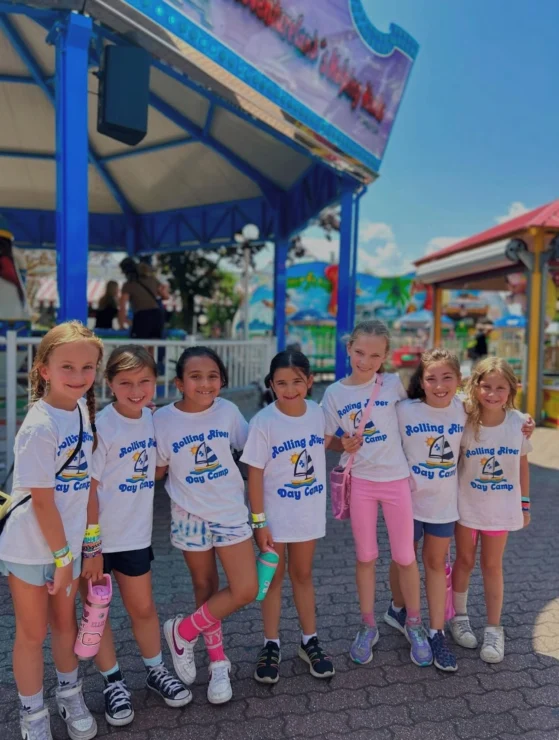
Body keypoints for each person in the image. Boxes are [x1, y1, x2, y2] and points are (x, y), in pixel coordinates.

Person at [0, 322, 103, 740]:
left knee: (65, 626)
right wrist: (63, 560)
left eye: (87, 367)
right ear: (44, 369)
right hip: (30, 549)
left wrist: (90, 545)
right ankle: (32, 714)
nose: (78, 377)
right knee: (32, 632)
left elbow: (89, 484)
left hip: (71, 547)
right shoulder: (39, 426)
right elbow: (42, 501)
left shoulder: (81, 410)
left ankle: (70, 694)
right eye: (67, 367)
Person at [84, 345, 190, 727]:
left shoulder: (154, 420)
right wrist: (91, 545)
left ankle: (155, 669)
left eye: (144, 381)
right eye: (125, 382)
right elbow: (89, 489)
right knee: (98, 615)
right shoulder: (100, 426)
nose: (136, 389)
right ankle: (113, 681)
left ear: (155, 381)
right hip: (94, 541)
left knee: (142, 608)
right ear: (109, 383)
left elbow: (157, 471)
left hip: (134, 536)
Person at [321, 320, 432, 668]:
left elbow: (424, 409)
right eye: (359, 352)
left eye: (374, 355)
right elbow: (326, 439)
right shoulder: (334, 394)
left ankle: (413, 621)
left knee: (405, 556)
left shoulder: (392, 385)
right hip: (363, 484)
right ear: (349, 348)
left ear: (384, 357)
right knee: (366, 557)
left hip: (397, 481)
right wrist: (344, 442)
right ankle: (367, 625)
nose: (365, 361)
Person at [156, 347, 258, 704]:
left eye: (212, 376)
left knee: (245, 589)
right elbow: (157, 469)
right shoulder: (162, 420)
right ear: (179, 382)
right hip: (188, 515)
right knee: (206, 588)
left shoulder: (228, 411)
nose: (204, 383)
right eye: (195, 377)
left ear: (222, 381)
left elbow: (252, 451)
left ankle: (182, 631)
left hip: (229, 512)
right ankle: (217, 663)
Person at [241, 349, 334, 684]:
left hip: (307, 514)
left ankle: (309, 640)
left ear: (309, 382)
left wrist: (346, 443)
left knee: (303, 575)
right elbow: (254, 474)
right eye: (281, 383)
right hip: (274, 519)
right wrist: (259, 521)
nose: (290, 388)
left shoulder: (317, 413)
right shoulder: (264, 422)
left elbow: (327, 441)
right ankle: (271, 643)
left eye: (297, 381)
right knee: (272, 580)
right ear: (271, 385)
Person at [450, 357, 532, 663]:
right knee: (465, 561)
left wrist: (525, 504)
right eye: (486, 386)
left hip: (501, 510)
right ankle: (459, 617)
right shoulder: (465, 419)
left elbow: (523, 466)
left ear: (512, 389)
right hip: (466, 507)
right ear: (475, 386)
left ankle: (494, 629)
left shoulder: (518, 423)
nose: (493, 393)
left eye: (501, 387)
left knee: (491, 566)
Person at [391, 348, 465, 671]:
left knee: (435, 563)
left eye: (447, 377)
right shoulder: (404, 410)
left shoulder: (464, 409)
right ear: (421, 381)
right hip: (406, 502)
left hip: (443, 505)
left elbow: (498, 415)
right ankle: (398, 609)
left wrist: (525, 424)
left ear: (458, 380)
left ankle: (436, 633)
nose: (439, 385)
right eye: (431, 378)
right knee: (403, 558)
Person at [118, 258, 169, 341]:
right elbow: (165, 296)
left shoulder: (128, 285)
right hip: (157, 315)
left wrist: (121, 325)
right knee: (154, 345)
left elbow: (122, 306)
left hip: (142, 316)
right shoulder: (152, 279)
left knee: (140, 346)